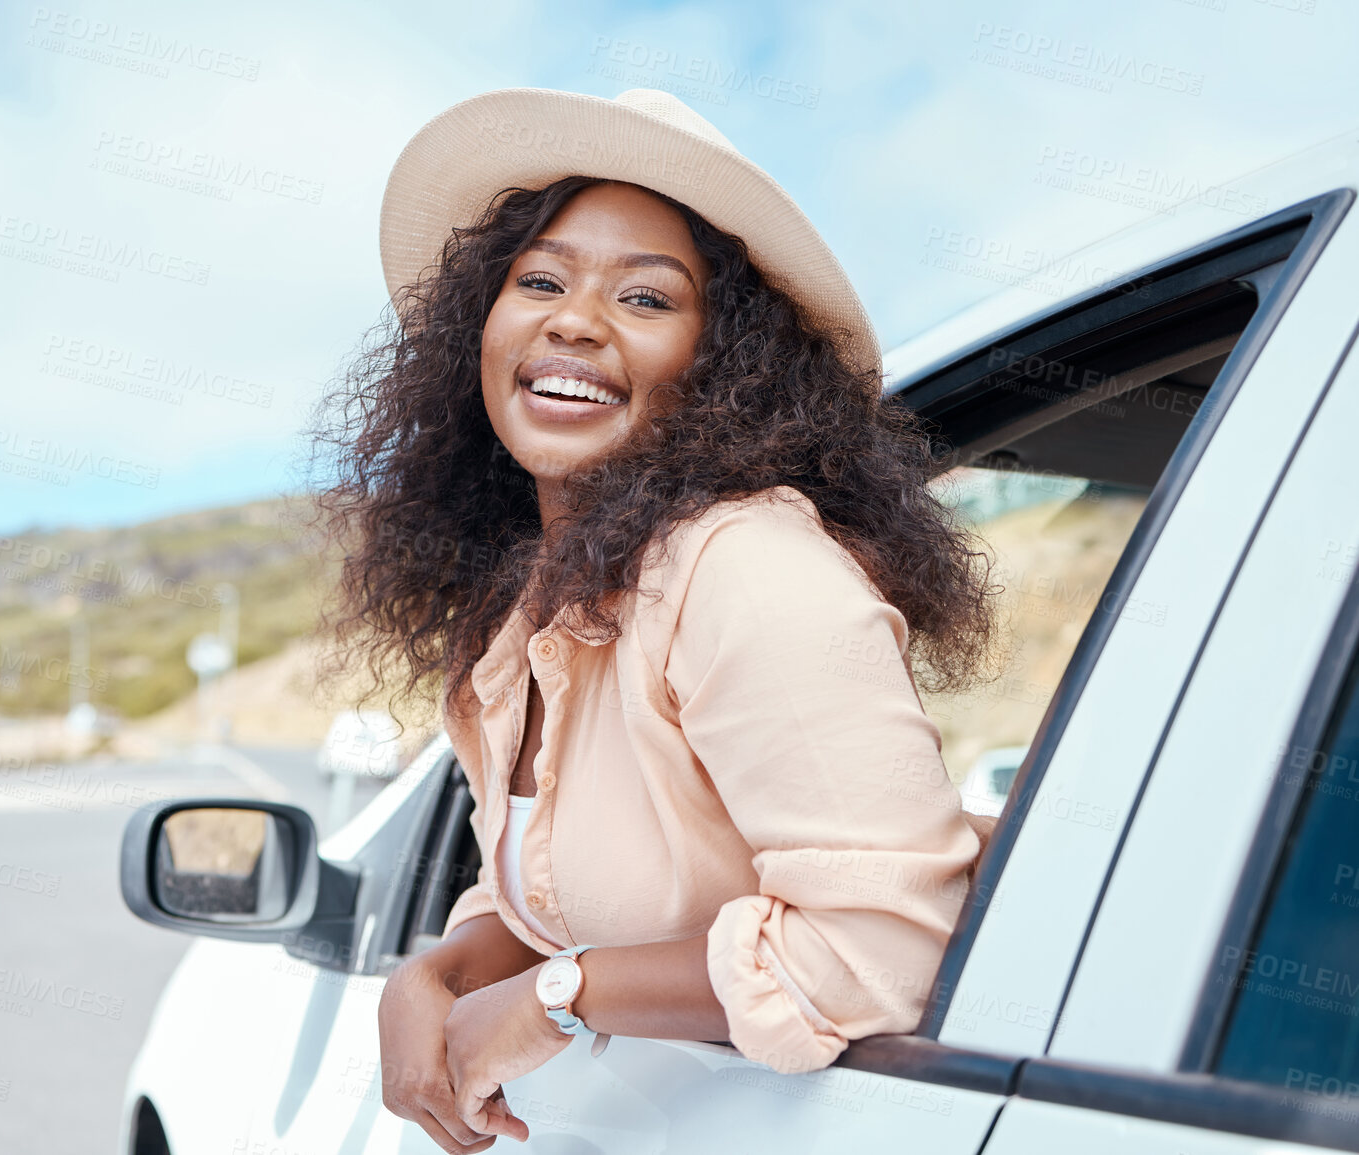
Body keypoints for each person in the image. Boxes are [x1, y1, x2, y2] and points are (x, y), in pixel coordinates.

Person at [311, 87, 1000, 1154]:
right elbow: (563, 894)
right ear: (477, 331)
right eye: (538, 280)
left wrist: (559, 997)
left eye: (645, 298)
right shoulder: (533, 615)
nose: (573, 320)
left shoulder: (748, 569)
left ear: (729, 369)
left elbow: (878, 949)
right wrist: (439, 976)